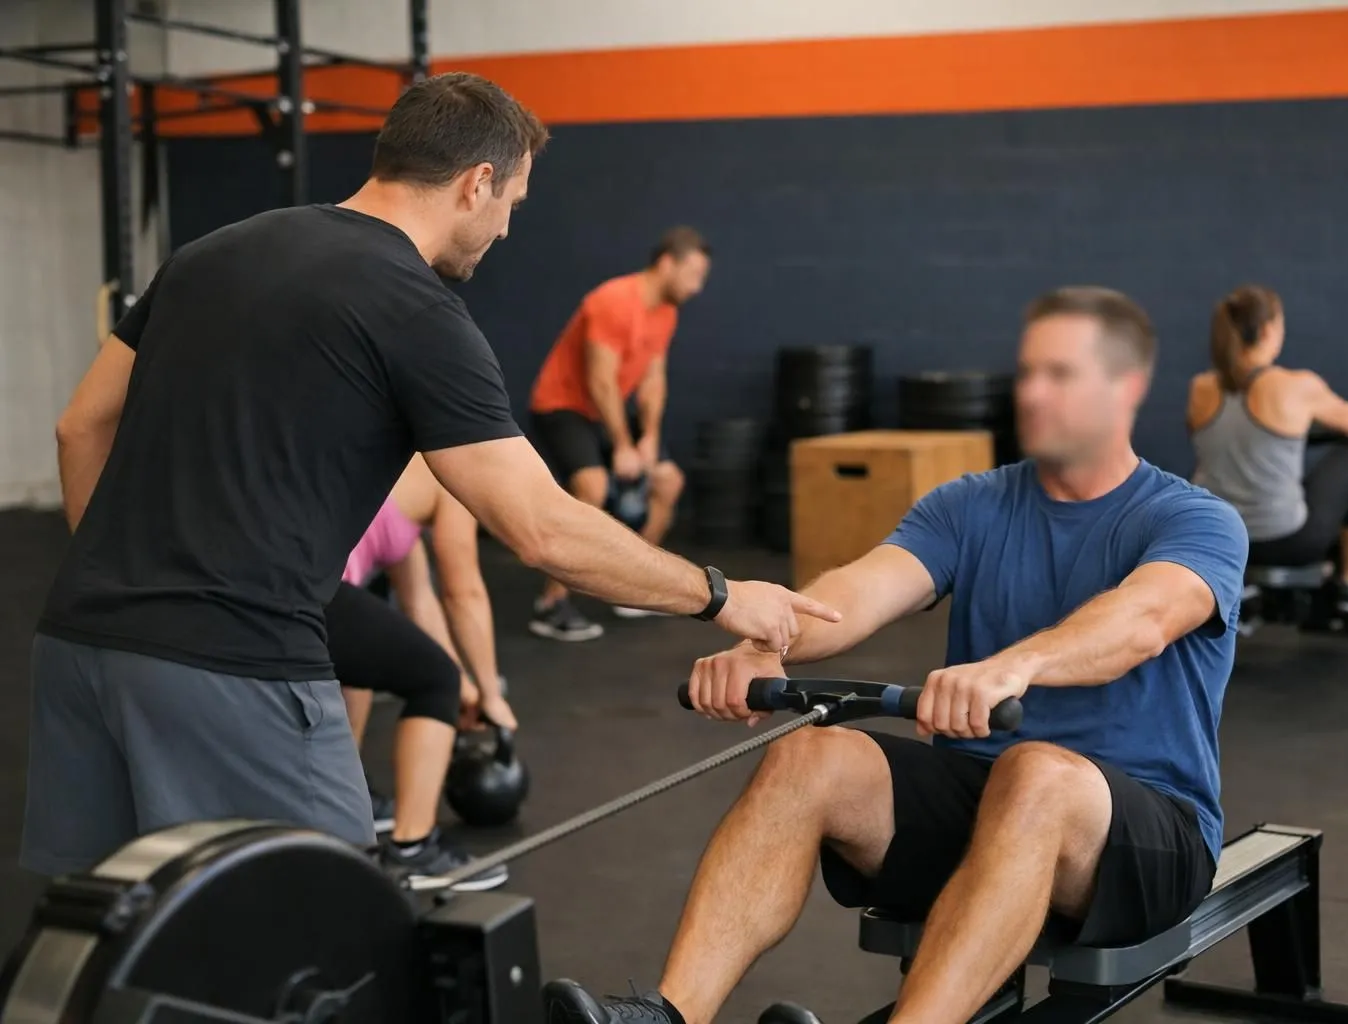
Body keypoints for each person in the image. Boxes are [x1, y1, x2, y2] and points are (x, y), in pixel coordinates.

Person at [24, 72, 837, 877]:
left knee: (106, 942)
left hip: (79, 644)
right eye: (512, 203)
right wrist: (723, 595)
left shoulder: (208, 254)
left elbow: (80, 425)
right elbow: (541, 529)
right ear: (477, 182)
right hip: (236, 665)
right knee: (312, 932)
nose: (507, 229)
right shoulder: (415, 309)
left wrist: (116, 579)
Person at [544, 286, 1249, 1024]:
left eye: (1060, 374)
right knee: (808, 757)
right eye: (1028, 372)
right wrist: (767, 642)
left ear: (1125, 388)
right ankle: (671, 1015)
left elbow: (1142, 619)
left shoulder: (1193, 519)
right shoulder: (972, 504)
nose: (1032, 393)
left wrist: (1017, 666)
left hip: (1145, 840)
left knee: (1035, 774)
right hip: (984, 802)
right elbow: (857, 593)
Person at [329, 454, 516, 890]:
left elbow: (420, 602)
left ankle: (352, 808)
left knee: (371, 673)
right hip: (308, 590)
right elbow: (463, 590)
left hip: (310, 586)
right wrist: (490, 692)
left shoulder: (401, 483)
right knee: (433, 681)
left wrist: (465, 683)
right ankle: (412, 849)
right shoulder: (456, 473)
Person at [524, 227, 712, 641]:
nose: (697, 288)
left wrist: (648, 437)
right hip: (563, 406)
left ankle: (632, 588)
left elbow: (653, 379)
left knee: (668, 481)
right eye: (694, 275)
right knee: (592, 487)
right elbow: (601, 381)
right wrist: (624, 445)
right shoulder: (612, 300)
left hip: (605, 410)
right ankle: (551, 604)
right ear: (667, 263)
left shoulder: (666, 311)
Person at [1188, 285, 1348, 614]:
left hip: (1220, 539)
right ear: (1267, 330)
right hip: (1287, 543)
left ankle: (1236, 588)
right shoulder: (1295, 386)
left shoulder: (1201, 388)